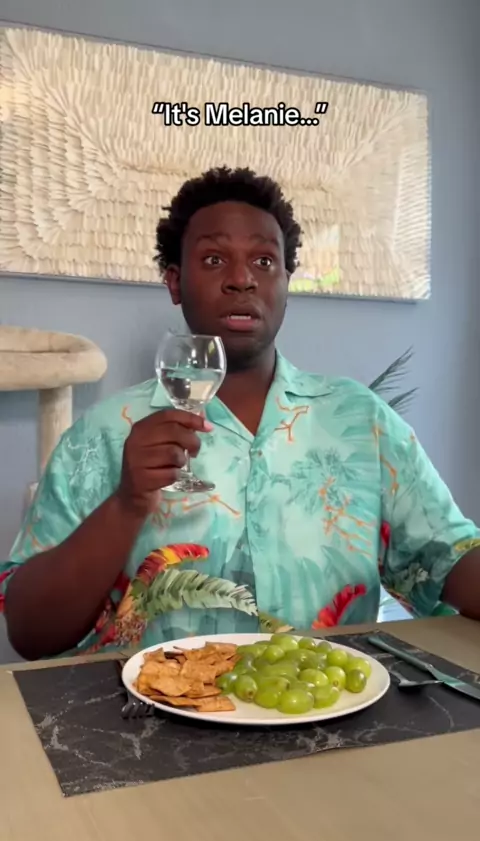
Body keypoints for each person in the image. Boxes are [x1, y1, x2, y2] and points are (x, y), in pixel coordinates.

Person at [2, 166, 480, 661]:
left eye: (264, 261)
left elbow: (450, 555)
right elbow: (31, 632)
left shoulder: (361, 421)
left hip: (335, 701)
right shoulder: (104, 434)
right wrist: (126, 504)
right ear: (175, 282)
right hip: (148, 708)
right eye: (214, 259)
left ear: (286, 281)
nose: (242, 279)